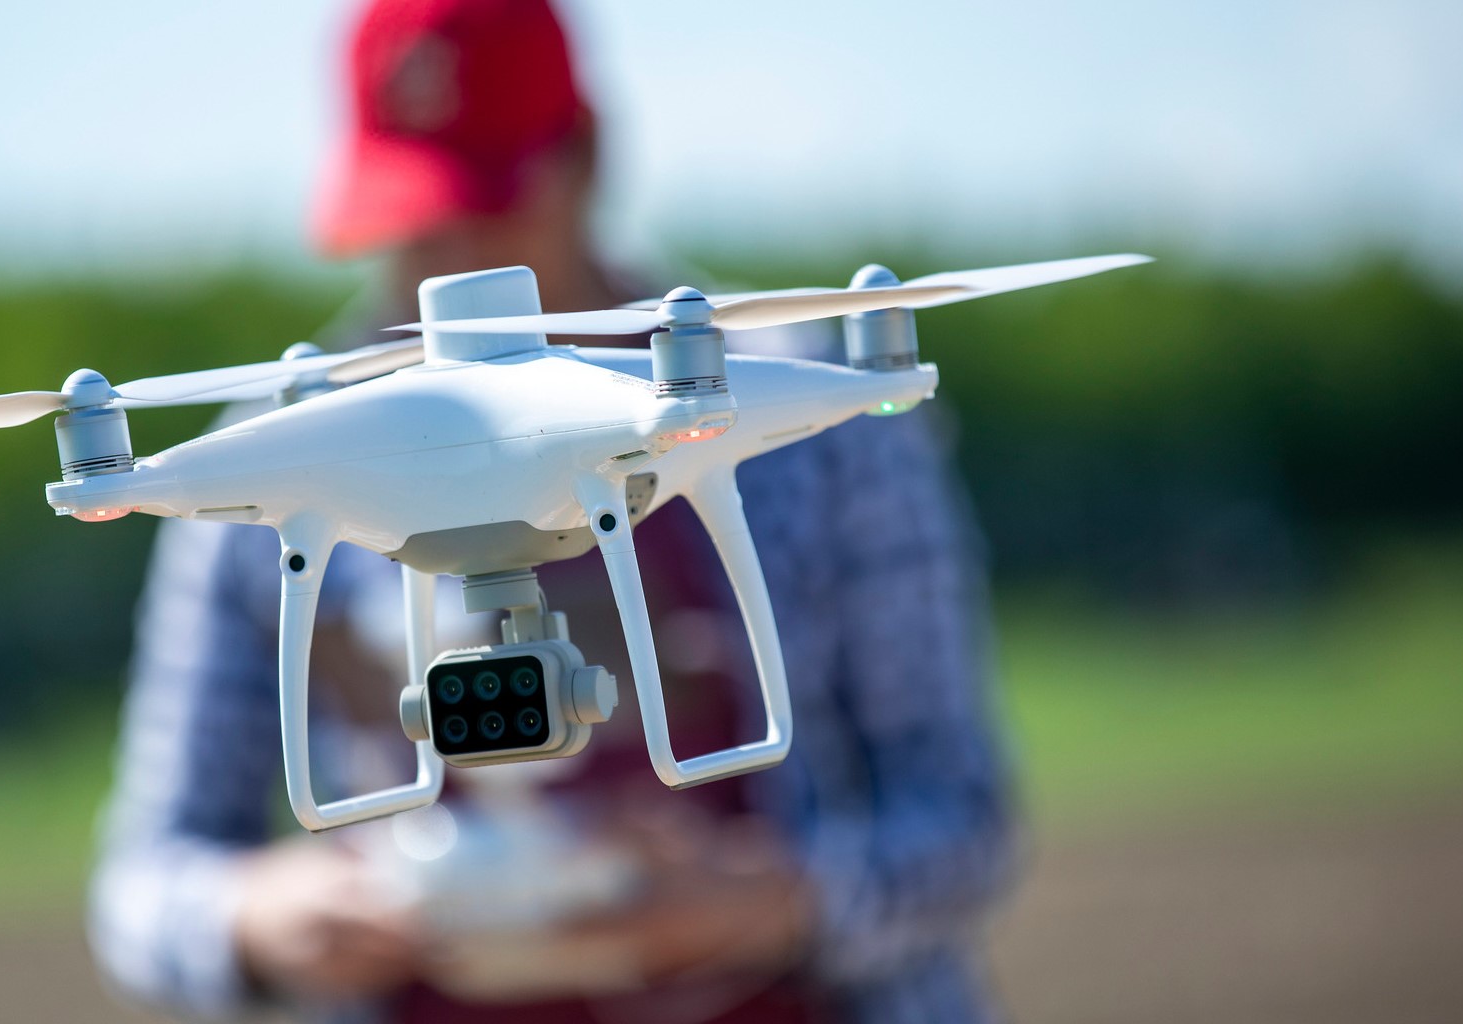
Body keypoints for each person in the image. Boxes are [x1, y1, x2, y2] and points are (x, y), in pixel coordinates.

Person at [88, 1, 1017, 1021]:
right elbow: (145, 878)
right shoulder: (262, 455)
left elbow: (962, 822)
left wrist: (779, 902)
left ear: (585, 154)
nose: (444, 263)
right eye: (409, 217)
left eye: (485, 208)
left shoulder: (813, 414)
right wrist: (252, 917)